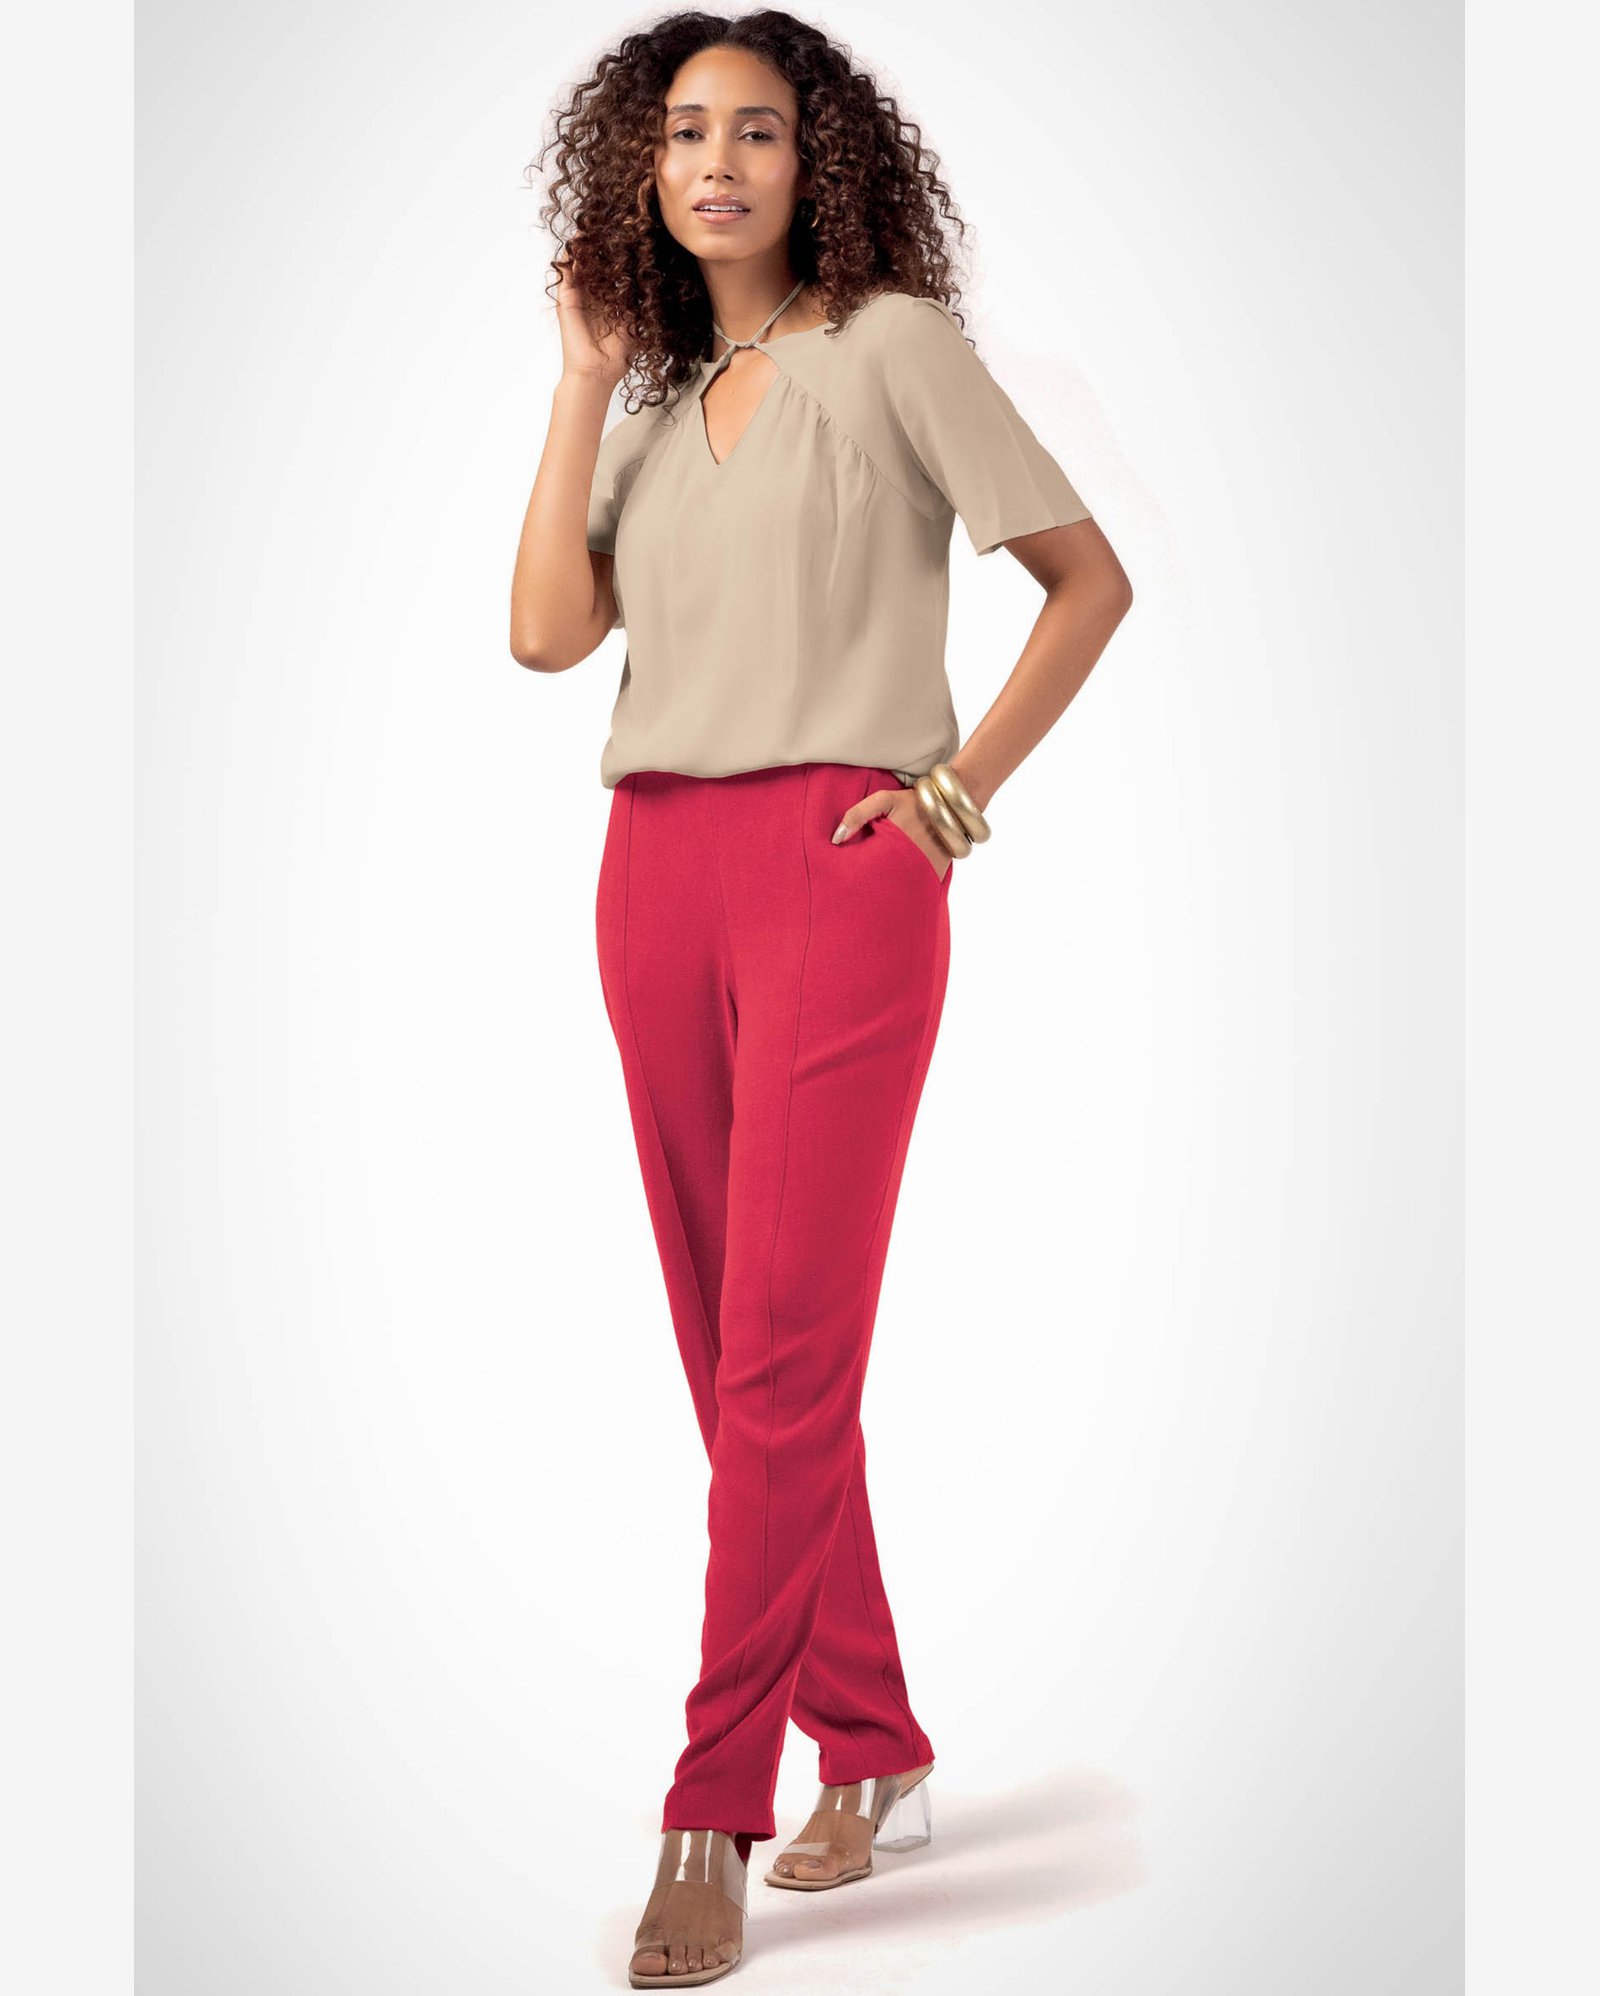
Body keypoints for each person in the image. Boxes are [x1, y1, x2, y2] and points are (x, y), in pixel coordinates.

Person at [511, 13, 1133, 1986]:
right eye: (682, 130)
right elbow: (542, 635)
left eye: (758, 130)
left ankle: (712, 1803)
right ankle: (870, 1741)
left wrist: (950, 800)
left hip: (834, 869)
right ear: (637, 168)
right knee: (738, 1358)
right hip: (651, 872)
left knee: (781, 1354)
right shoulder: (651, 404)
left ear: (817, 160)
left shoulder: (891, 347)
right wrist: (580, 378)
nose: (717, 161)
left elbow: (1088, 580)